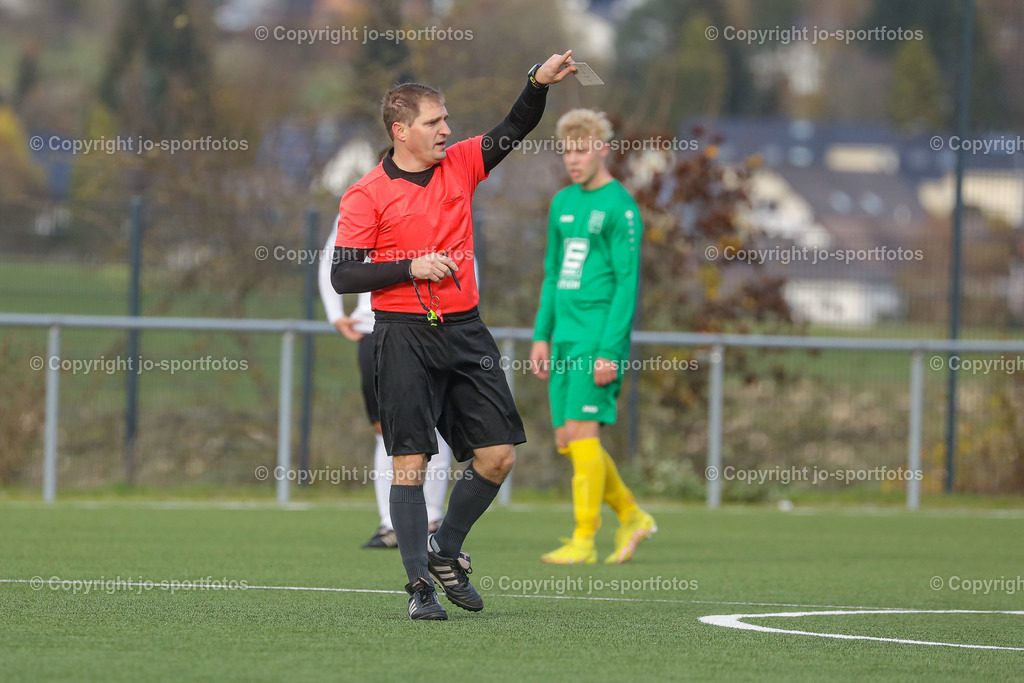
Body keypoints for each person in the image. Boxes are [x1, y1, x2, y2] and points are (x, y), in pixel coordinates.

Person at [332, 51, 578, 619]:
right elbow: (343, 273)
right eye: (434, 122)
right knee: (411, 463)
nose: (448, 130)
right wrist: (409, 266)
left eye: (446, 120)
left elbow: (515, 127)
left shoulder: (462, 164)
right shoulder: (366, 193)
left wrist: (535, 81)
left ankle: (446, 548)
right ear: (401, 130)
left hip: (465, 331)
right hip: (401, 337)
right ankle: (420, 588)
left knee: (497, 458)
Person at [529, 108, 656, 565]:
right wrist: (541, 335)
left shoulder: (621, 208)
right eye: (567, 151)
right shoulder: (563, 204)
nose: (573, 159)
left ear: (602, 149)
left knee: (584, 435)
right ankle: (634, 515)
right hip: (562, 338)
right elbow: (550, 274)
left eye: (581, 150)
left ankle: (584, 539)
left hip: (595, 340)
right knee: (568, 439)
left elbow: (627, 285)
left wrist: (609, 351)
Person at [317, 219, 452, 549]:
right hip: (375, 330)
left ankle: (432, 518)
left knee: (435, 422)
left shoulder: (446, 198)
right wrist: (335, 313)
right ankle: (390, 524)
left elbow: (467, 263)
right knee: (385, 428)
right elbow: (332, 259)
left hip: (432, 328)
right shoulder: (367, 197)